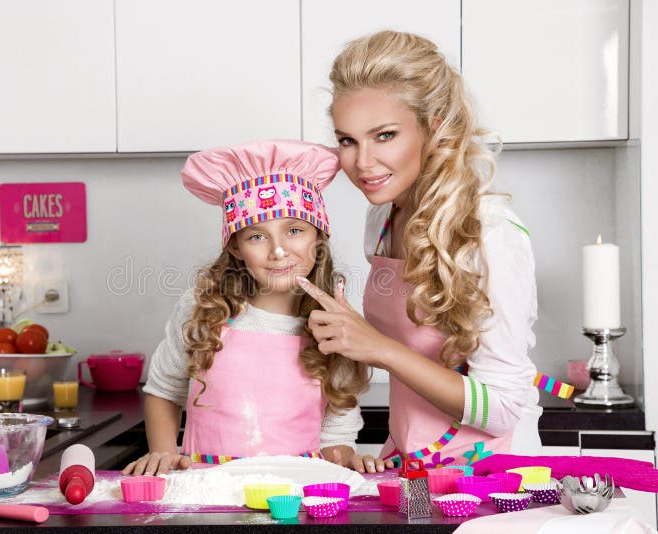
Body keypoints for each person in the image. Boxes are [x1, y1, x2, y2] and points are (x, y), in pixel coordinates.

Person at [296, 30, 542, 473]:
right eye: (347, 140)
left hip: (490, 475)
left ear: (438, 124)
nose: (363, 162)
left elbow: (505, 406)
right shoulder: (384, 216)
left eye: (384, 135)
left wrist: (379, 348)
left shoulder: (491, 234)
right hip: (410, 463)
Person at [123, 139, 369, 476]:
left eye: (294, 230)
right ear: (236, 247)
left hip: (294, 500)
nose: (279, 251)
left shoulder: (334, 322)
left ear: (318, 236)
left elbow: (337, 432)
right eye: (257, 236)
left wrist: (343, 457)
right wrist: (164, 454)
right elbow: (163, 390)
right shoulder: (204, 311)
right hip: (207, 499)